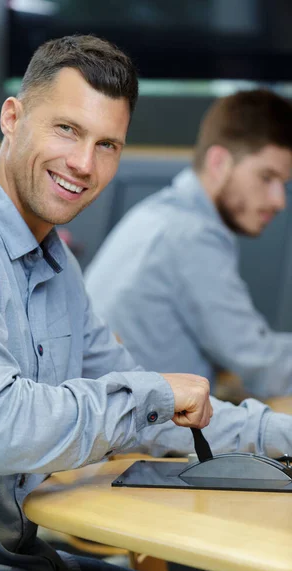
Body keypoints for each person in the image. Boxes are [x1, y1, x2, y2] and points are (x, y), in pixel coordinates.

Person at [0, 35, 290, 571]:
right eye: (67, 130)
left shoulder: (56, 264)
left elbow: (162, 411)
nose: (83, 164)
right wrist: (149, 395)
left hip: (28, 563)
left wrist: (279, 434)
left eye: (107, 144)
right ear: (13, 116)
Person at [85, 89, 292, 400]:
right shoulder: (191, 235)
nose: (279, 201)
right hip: (146, 438)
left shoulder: (161, 214)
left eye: (284, 184)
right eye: (267, 177)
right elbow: (263, 365)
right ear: (219, 162)